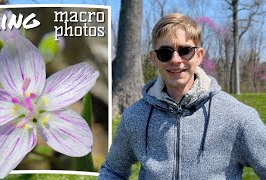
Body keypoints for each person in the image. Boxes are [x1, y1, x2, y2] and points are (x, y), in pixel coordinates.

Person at [99, 13, 266, 179]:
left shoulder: (239, 117)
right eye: (165, 53)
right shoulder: (134, 117)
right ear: (154, 58)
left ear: (199, 55)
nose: (175, 60)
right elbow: (112, 170)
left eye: (185, 51)